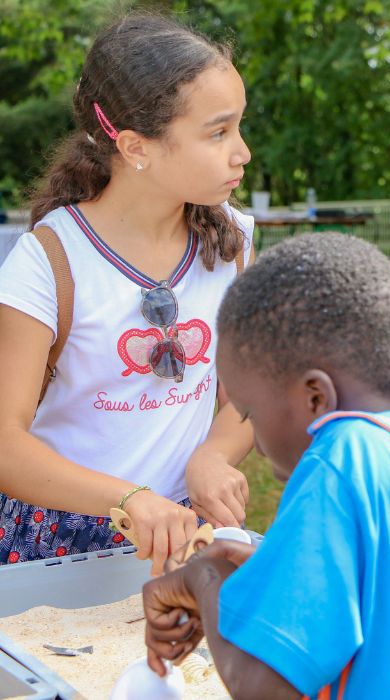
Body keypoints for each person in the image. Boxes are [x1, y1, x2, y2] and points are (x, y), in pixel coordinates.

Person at [142, 233, 390, 700]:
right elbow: (386, 598)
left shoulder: (341, 459)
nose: (261, 447)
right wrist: (280, 568)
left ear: (316, 398)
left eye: (250, 412)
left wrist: (201, 580)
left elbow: (264, 688)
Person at [0, 15, 254, 573]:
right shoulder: (49, 260)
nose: (243, 152)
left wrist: (212, 455)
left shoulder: (234, 241)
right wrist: (126, 499)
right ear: (136, 146)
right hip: (57, 549)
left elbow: (247, 395)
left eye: (238, 127)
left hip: (183, 537)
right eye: (218, 132)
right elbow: (6, 444)